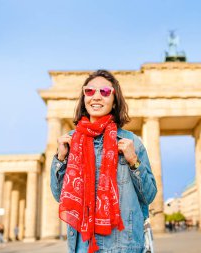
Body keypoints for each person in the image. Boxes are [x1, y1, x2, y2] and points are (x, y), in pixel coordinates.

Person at [50, 70, 157, 253]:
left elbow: (149, 196)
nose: (96, 97)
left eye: (105, 92)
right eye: (89, 91)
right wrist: (60, 159)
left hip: (124, 245)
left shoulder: (131, 143)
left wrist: (133, 160)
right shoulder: (70, 142)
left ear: (115, 100)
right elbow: (60, 196)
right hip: (83, 246)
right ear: (84, 98)